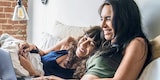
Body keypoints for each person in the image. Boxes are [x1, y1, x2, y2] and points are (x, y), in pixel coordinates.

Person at [81, 0, 152, 80]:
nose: (102, 25)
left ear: (125, 19)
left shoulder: (137, 43)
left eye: (108, 18)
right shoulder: (108, 43)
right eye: (101, 19)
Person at [18, 26, 103, 79]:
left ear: (96, 51)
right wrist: (32, 47)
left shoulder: (85, 71)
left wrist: (32, 72)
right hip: (30, 57)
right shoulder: (68, 43)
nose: (83, 45)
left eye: (91, 44)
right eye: (85, 39)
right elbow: (43, 53)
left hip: (30, 72)